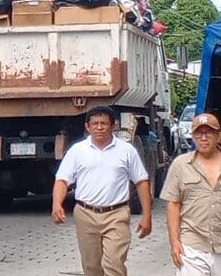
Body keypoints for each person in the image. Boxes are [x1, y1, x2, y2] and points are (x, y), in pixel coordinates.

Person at [51, 106, 152, 276]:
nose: (99, 127)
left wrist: (147, 215)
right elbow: (62, 180)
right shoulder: (77, 151)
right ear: (87, 127)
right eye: (95, 124)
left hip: (116, 214)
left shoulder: (127, 151)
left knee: (114, 264)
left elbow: (141, 181)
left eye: (104, 123)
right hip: (85, 214)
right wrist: (56, 204)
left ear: (113, 126)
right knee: (92, 267)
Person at [161, 113, 221, 276]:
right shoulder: (180, 164)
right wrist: (174, 241)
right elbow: (173, 203)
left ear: (219, 136)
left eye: (209, 133)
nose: (203, 138)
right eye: (198, 133)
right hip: (193, 245)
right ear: (192, 136)